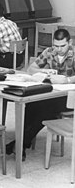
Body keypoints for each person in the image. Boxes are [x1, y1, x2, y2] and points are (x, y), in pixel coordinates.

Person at [6, 28, 75, 160]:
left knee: (46, 110)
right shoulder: (49, 52)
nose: (59, 49)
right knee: (31, 104)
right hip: (50, 93)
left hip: (68, 98)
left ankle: (20, 144)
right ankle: (21, 145)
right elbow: (32, 68)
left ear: (69, 42)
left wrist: (66, 79)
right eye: (56, 45)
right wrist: (45, 72)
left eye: (62, 46)